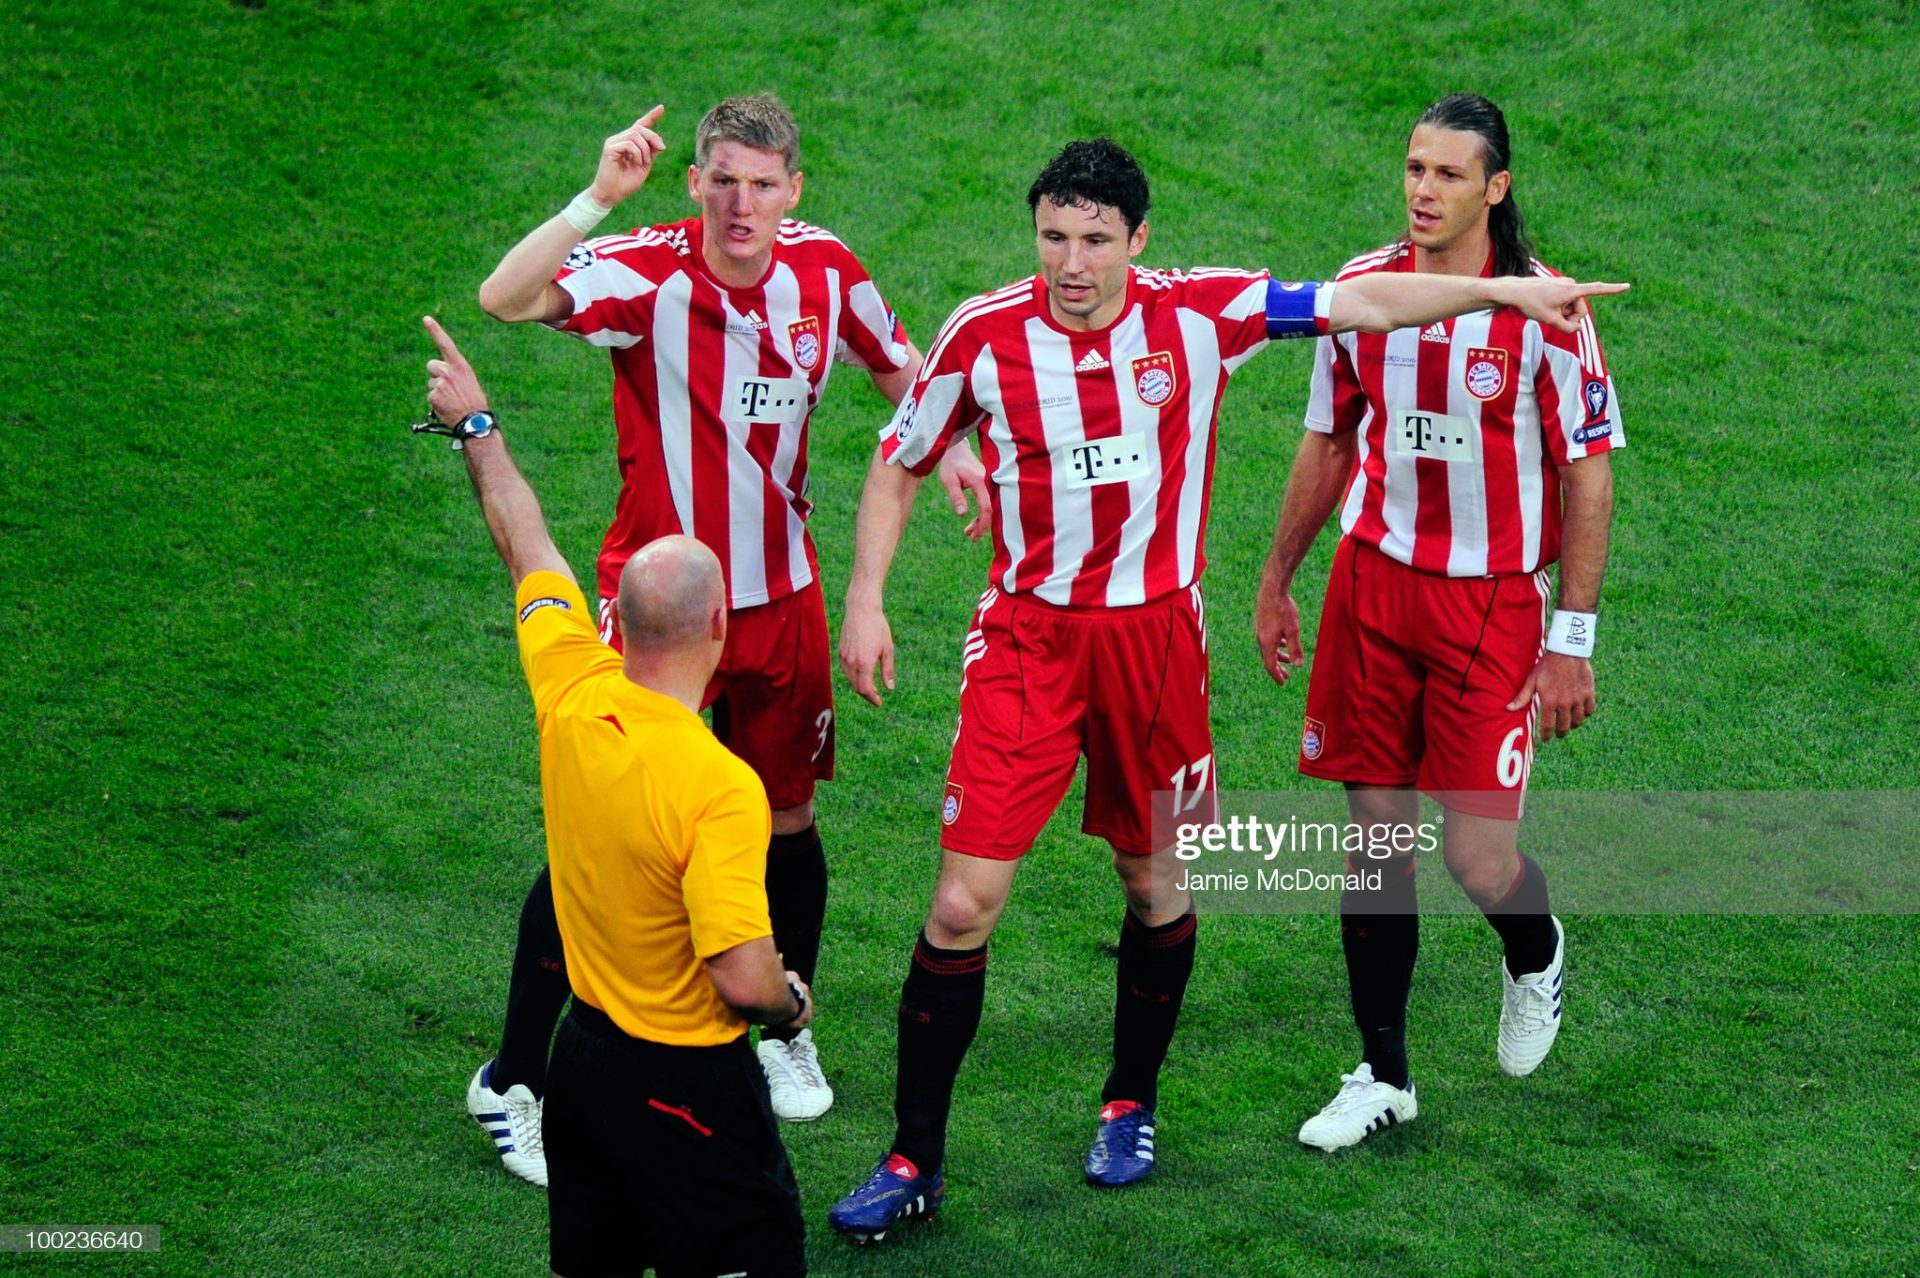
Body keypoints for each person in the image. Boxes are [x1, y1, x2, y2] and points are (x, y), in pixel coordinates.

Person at [827, 136, 1627, 1240]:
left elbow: (1359, 305)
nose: (1071, 263)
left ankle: (1129, 1103)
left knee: (1155, 882)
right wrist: (865, 597)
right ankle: (913, 1156)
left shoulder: (1198, 313)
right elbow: (899, 456)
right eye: (1054, 238)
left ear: (1137, 239)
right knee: (962, 902)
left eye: (1095, 240)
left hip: (1159, 648)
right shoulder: (983, 332)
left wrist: (1499, 291)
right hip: (1026, 642)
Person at [466, 94, 990, 1167]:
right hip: (662, 608)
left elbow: (899, 364)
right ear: (693, 183)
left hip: (780, 599)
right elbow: (503, 297)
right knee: (606, 835)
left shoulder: (827, 270)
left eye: (762, 184)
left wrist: (950, 446)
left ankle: (783, 1028)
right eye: (722, 181)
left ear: (794, 190)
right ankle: (513, 1077)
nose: (741, 204)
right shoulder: (644, 273)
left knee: (787, 818)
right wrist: (596, 197)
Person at [1254, 93, 1624, 1152]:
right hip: (1372, 590)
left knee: (1477, 858)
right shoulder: (1365, 293)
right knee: (1374, 845)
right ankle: (1383, 1074)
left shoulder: (1548, 310)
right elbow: (1329, 440)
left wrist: (1571, 640)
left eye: (1449, 174)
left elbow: (1588, 477)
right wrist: (1278, 577)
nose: (1424, 190)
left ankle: (1535, 948)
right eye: (1415, 168)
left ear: (1495, 187)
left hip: (1489, 606)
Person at [417, 315, 814, 1277]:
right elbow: (741, 979)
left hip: (582, 1067)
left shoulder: (569, 687)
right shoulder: (720, 784)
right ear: (719, 625)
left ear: (620, 623)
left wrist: (478, 428)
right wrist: (791, 1005)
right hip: (690, 1087)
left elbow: (526, 543)